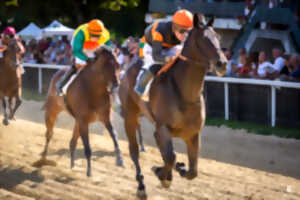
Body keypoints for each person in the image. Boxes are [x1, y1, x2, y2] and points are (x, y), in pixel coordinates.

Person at [134, 9, 194, 97]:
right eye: (182, 31)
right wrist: (170, 59)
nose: (185, 35)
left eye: (187, 32)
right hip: (151, 46)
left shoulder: (181, 32)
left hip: (169, 46)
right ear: (174, 27)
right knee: (156, 65)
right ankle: (141, 86)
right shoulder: (160, 32)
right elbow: (156, 56)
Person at [56, 19, 110, 95]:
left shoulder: (106, 35)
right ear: (89, 31)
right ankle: (61, 84)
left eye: (97, 36)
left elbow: (108, 51)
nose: (95, 38)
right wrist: (87, 59)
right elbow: (77, 51)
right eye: (93, 35)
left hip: (95, 46)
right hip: (81, 45)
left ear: (101, 34)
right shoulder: (80, 33)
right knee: (81, 63)